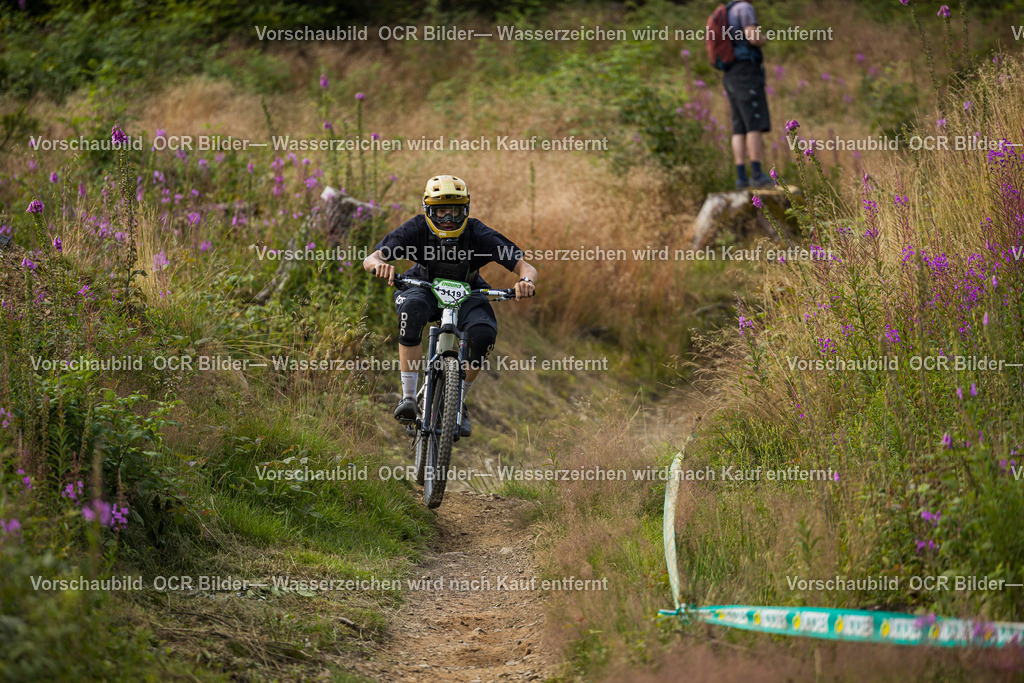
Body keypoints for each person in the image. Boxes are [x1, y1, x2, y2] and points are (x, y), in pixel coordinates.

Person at [363, 175, 537, 437]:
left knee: (483, 332)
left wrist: (525, 281)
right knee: (411, 313)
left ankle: (458, 403)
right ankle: (408, 398)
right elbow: (372, 258)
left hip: (469, 291)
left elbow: (525, 266)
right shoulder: (417, 228)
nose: (448, 218)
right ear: (428, 211)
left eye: (455, 211)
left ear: (466, 211)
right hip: (423, 287)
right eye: (440, 211)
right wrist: (380, 265)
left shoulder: (478, 232)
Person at [721, 0, 773, 190]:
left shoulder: (725, 11)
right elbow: (753, 37)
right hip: (746, 72)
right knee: (754, 122)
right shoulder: (744, 8)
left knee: (739, 126)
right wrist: (764, 38)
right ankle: (757, 175)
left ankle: (741, 178)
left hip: (730, 74)